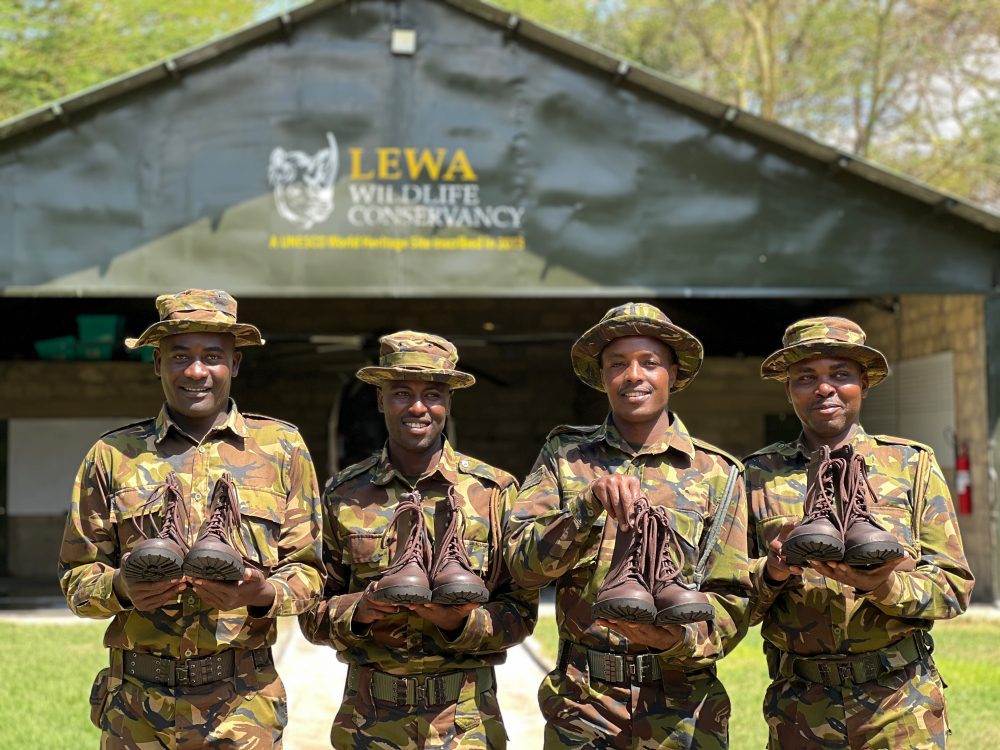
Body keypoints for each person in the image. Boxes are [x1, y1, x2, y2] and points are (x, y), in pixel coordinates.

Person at [58, 289, 324, 748]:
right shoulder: (113, 456)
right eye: (179, 355)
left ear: (235, 364)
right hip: (137, 708)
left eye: (212, 356)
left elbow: (311, 574)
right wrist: (122, 588)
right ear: (157, 363)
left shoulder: (282, 450)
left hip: (243, 706)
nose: (196, 371)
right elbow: (76, 580)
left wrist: (262, 593)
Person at [506, 302, 751, 750]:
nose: (633, 375)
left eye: (649, 362)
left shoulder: (719, 473)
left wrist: (673, 638)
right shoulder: (565, 458)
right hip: (583, 703)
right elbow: (522, 566)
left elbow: (733, 598)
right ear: (602, 377)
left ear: (673, 374)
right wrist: (585, 507)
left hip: (684, 705)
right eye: (617, 364)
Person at [299, 331, 538, 750]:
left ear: (449, 401)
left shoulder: (492, 492)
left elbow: (521, 611)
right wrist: (361, 610)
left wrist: (461, 624)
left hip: (466, 722)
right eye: (401, 393)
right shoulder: (344, 493)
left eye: (432, 394)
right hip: (368, 720)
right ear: (379, 400)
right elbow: (311, 612)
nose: (417, 407)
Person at [745, 316, 975, 749]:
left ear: (864, 385)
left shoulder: (910, 466)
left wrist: (885, 584)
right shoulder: (758, 476)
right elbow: (730, 599)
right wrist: (772, 572)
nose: (824, 388)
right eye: (806, 378)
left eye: (840, 375)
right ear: (788, 389)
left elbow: (954, 587)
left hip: (899, 703)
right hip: (799, 707)